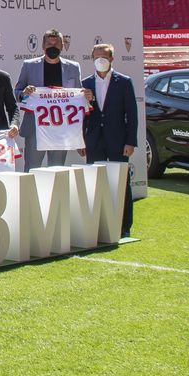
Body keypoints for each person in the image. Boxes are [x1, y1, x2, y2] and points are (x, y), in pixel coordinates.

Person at [80, 43, 138, 239]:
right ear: (91, 59)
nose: (100, 60)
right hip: (94, 140)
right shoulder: (85, 83)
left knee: (121, 184)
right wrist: (81, 141)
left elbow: (132, 114)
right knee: (94, 183)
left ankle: (124, 226)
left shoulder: (124, 82)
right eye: (97, 57)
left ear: (112, 59)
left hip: (118, 141)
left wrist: (130, 142)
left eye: (104, 57)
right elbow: (82, 115)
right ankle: (96, 225)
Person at [16, 28, 83, 170]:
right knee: (32, 167)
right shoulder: (29, 65)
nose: (52, 47)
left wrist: (87, 95)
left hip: (61, 128)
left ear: (62, 46)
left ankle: (55, 193)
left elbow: (79, 95)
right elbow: (17, 91)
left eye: (56, 43)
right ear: (42, 46)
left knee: (57, 169)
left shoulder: (73, 67)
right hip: (35, 127)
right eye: (49, 43)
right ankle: (31, 193)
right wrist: (24, 93)